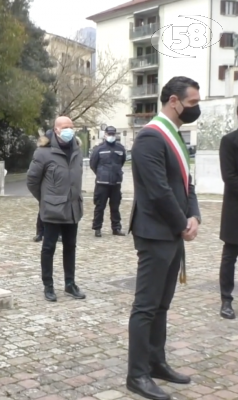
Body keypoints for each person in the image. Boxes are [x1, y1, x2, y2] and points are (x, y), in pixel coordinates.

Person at [126, 76, 202, 400]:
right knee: (145, 307)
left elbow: (187, 183)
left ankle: (156, 362)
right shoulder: (150, 138)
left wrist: (195, 215)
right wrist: (181, 223)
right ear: (174, 101)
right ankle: (137, 374)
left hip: (172, 232)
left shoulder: (175, 136)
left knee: (162, 305)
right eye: (193, 103)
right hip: (156, 233)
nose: (196, 109)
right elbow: (157, 191)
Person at [27, 116, 85, 302]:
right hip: (52, 209)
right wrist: (45, 200)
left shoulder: (77, 149)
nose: (69, 129)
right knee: (49, 247)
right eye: (65, 127)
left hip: (73, 207)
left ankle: (70, 283)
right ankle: (48, 285)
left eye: (71, 126)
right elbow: (32, 181)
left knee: (70, 246)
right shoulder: (43, 153)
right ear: (56, 129)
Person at [218, 107, 238, 319]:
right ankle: (226, 299)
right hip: (236, 210)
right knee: (230, 255)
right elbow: (229, 176)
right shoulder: (230, 141)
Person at [90, 125, 127, 237]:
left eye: (112, 134)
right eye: (109, 134)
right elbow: (93, 164)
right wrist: (101, 173)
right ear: (105, 135)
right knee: (100, 206)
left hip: (116, 182)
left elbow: (122, 161)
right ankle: (97, 228)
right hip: (102, 183)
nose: (111, 136)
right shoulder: (99, 149)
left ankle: (116, 228)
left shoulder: (120, 148)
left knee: (115, 206)